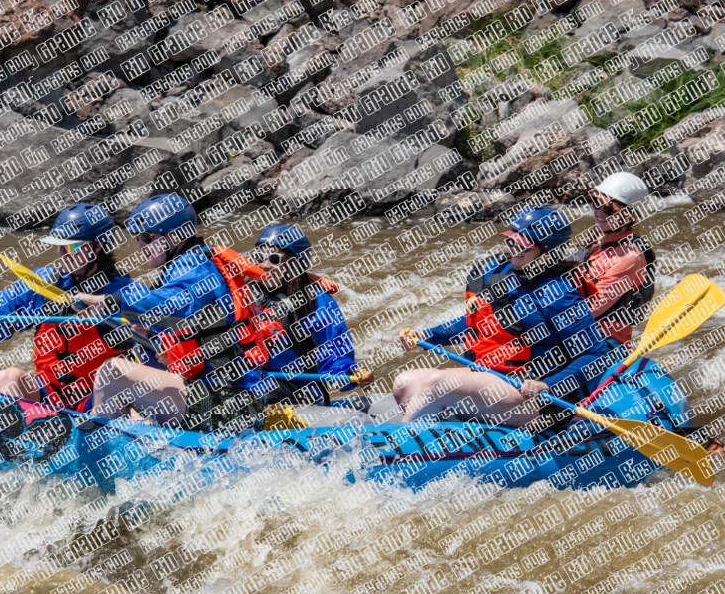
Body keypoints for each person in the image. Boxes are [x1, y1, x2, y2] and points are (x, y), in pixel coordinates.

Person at [394, 206, 611, 428]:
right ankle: (446, 442)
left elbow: (595, 354)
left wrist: (548, 386)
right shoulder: (504, 275)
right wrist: (428, 335)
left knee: (435, 384)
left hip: (536, 396)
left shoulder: (558, 293)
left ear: (548, 251)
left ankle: (398, 450)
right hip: (492, 377)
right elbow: (477, 322)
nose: (514, 248)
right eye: (512, 240)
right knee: (404, 383)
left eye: (523, 245)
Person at [72, 193, 272, 432]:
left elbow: (177, 303)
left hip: (228, 404)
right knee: (131, 403)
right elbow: (180, 318)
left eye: (148, 238)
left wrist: (109, 300)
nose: (140, 247)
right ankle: (116, 441)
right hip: (215, 396)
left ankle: (96, 450)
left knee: (113, 372)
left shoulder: (196, 266)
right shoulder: (188, 266)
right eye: (139, 239)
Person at [0, 203, 136, 411]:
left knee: (117, 388)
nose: (64, 253)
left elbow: (155, 344)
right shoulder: (42, 284)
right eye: (60, 246)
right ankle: (15, 431)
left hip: (98, 398)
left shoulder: (126, 292)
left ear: (98, 247)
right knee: (7, 377)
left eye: (72, 247)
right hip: (49, 392)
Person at [250, 224, 373, 406]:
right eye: (259, 258)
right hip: (258, 381)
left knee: (256, 395)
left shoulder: (317, 302)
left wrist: (350, 373)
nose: (265, 266)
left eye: (274, 259)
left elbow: (334, 354)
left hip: (302, 389)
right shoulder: (245, 296)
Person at [578, 172, 655, 347]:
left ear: (631, 216)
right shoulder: (598, 236)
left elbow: (593, 309)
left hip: (605, 340)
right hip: (579, 327)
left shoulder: (629, 258)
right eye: (597, 203)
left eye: (608, 210)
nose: (599, 213)